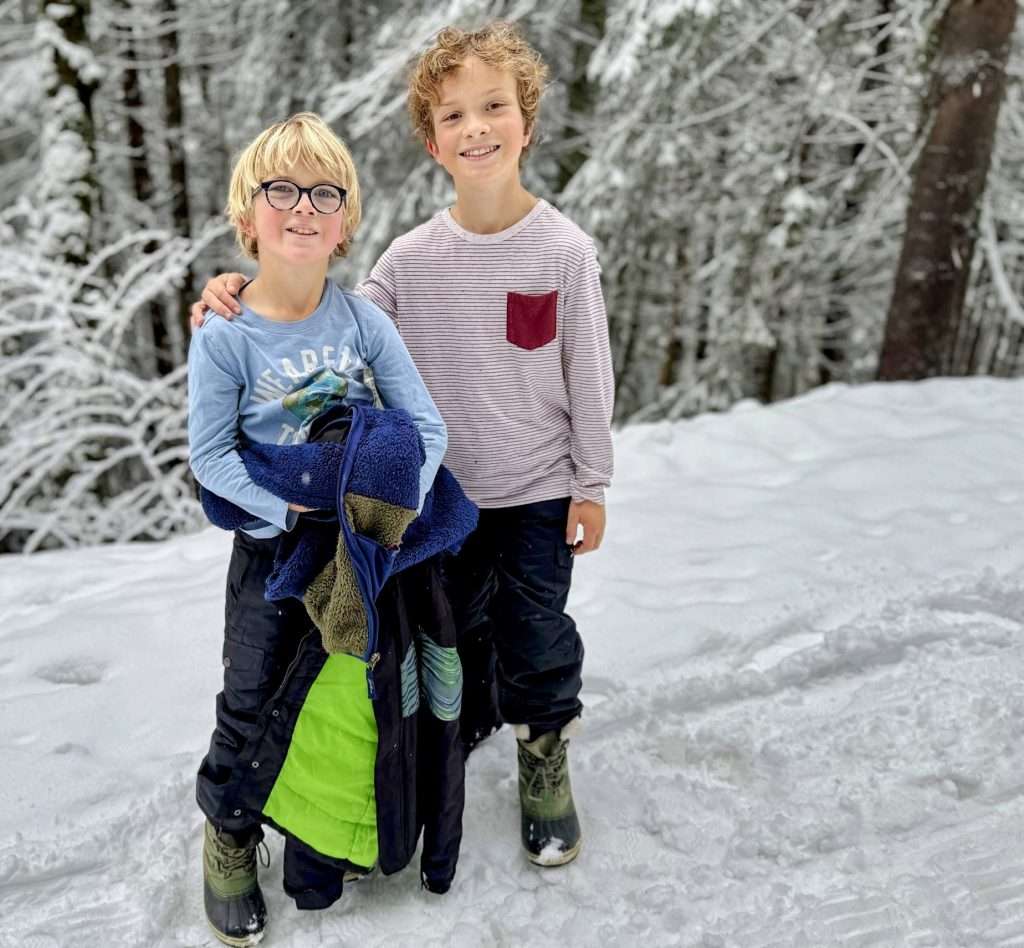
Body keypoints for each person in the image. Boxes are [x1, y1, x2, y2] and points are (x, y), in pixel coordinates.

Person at [192, 21, 614, 869]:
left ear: (526, 121)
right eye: (454, 115)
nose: (477, 128)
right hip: (436, 506)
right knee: (446, 637)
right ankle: (448, 743)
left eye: (494, 107)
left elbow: (589, 372)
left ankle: (542, 750)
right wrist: (230, 284)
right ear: (432, 142)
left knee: (535, 631)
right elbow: (322, 307)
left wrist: (591, 482)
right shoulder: (409, 261)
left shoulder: (563, 252)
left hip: (534, 489)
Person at [187, 112, 452, 946]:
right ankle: (228, 831)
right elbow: (211, 458)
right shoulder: (227, 335)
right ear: (247, 214)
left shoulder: (362, 320)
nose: (303, 207)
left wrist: (381, 508)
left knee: (331, 694)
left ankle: (324, 824)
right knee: (251, 690)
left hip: (359, 546)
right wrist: (296, 506)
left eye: (324, 193)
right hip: (273, 546)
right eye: (282, 190)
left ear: (345, 222)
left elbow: (426, 431)